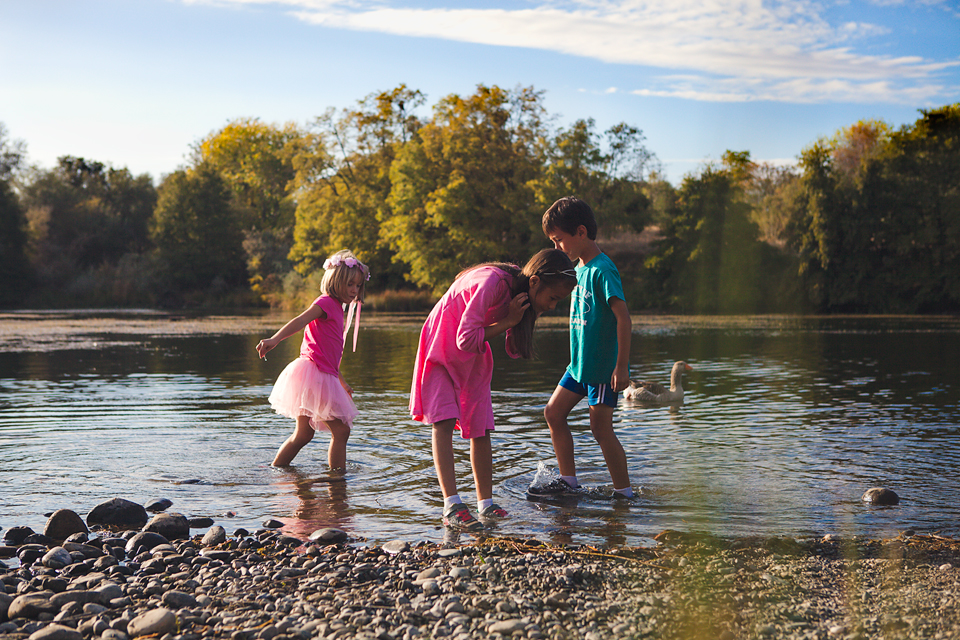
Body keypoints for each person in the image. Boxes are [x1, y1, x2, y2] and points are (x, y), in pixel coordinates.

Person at [411, 249, 578, 530]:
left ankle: (485, 504)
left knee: (481, 427)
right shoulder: (492, 282)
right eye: (553, 298)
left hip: (473, 355)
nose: (552, 306)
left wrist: (518, 320)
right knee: (444, 421)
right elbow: (463, 339)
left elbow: (511, 348)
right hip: (442, 345)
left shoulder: (519, 293)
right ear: (535, 282)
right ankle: (451, 504)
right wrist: (509, 321)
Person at [529, 196, 634, 499]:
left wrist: (621, 366)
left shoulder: (602, 269)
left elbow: (623, 319)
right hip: (578, 367)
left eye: (559, 240)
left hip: (601, 369)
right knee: (553, 413)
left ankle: (624, 494)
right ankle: (569, 483)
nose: (557, 247)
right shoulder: (577, 270)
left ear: (581, 232)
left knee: (601, 430)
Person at [256, 250, 369, 469]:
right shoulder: (326, 303)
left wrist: (341, 381)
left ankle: (277, 469)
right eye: (350, 285)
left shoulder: (337, 308)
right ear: (335, 281)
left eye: (358, 286)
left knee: (304, 434)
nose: (354, 290)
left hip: (321, 374)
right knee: (341, 430)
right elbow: (300, 320)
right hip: (313, 375)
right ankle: (337, 480)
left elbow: (329, 353)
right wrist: (275, 339)